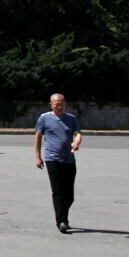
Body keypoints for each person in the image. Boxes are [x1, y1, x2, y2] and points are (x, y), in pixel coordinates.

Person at [35, 93, 83, 234]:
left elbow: (78, 133)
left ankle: (64, 218)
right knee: (58, 191)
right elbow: (38, 138)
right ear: (51, 104)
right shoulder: (44, 118)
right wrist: (38, 156)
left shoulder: (71, 119)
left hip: (69, 159)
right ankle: (61, 221)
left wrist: (76, 142)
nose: (60, 106)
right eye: (57, 103)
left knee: (69, 195)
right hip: (52, 159)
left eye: (62, 103)